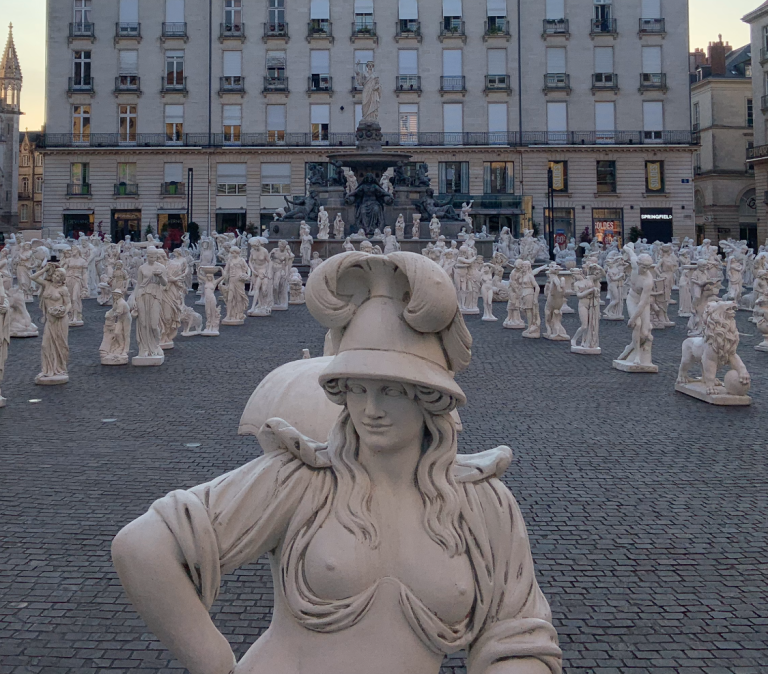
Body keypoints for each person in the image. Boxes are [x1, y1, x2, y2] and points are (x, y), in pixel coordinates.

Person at [112, 252, 562, 674]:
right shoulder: (302, 479)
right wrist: (214, 660)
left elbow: (518, 634)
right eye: (357, 389)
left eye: (391, 390)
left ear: (430, 398)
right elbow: (143, 546)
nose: (370, 409)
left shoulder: (482, 502)